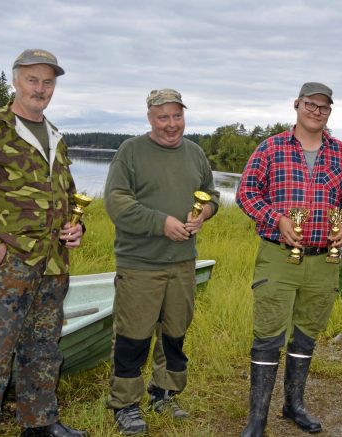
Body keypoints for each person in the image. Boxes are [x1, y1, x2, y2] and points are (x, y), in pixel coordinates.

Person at [0, 49, 87, 437]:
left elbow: (70, 198)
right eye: (32, 79)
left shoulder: (56, 136)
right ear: (15, 81)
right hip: (9, 267)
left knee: (43, 347)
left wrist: (78, 228)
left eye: (48, 81)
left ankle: (40, 423)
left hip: (54, 266)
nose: (40, 88)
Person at [235, 82, 342, 436]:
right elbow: (245, 193)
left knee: (306, 335)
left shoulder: (341, 153)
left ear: (329, 112)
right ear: (297, 105)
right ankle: (257, 418)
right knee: (268, 335)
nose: (317, 111)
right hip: (278, 256)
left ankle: (294, 405)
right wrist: (277, 218)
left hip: (324, 260)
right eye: (311, 104)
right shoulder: (271, 147)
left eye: (324, 107)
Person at [103, 89, 219, 435]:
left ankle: (164, 392)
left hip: (183, 263)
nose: (171, 124)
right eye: (163, 117)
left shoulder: (195, 153)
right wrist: (160, 223)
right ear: (150, 118)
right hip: (140, 263)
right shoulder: (131, 152)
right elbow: (116, 202)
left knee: (175, 335)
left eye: (177, 116)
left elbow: (211, 195)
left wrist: (205, 215)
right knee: (132, 338)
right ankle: (125, 405)